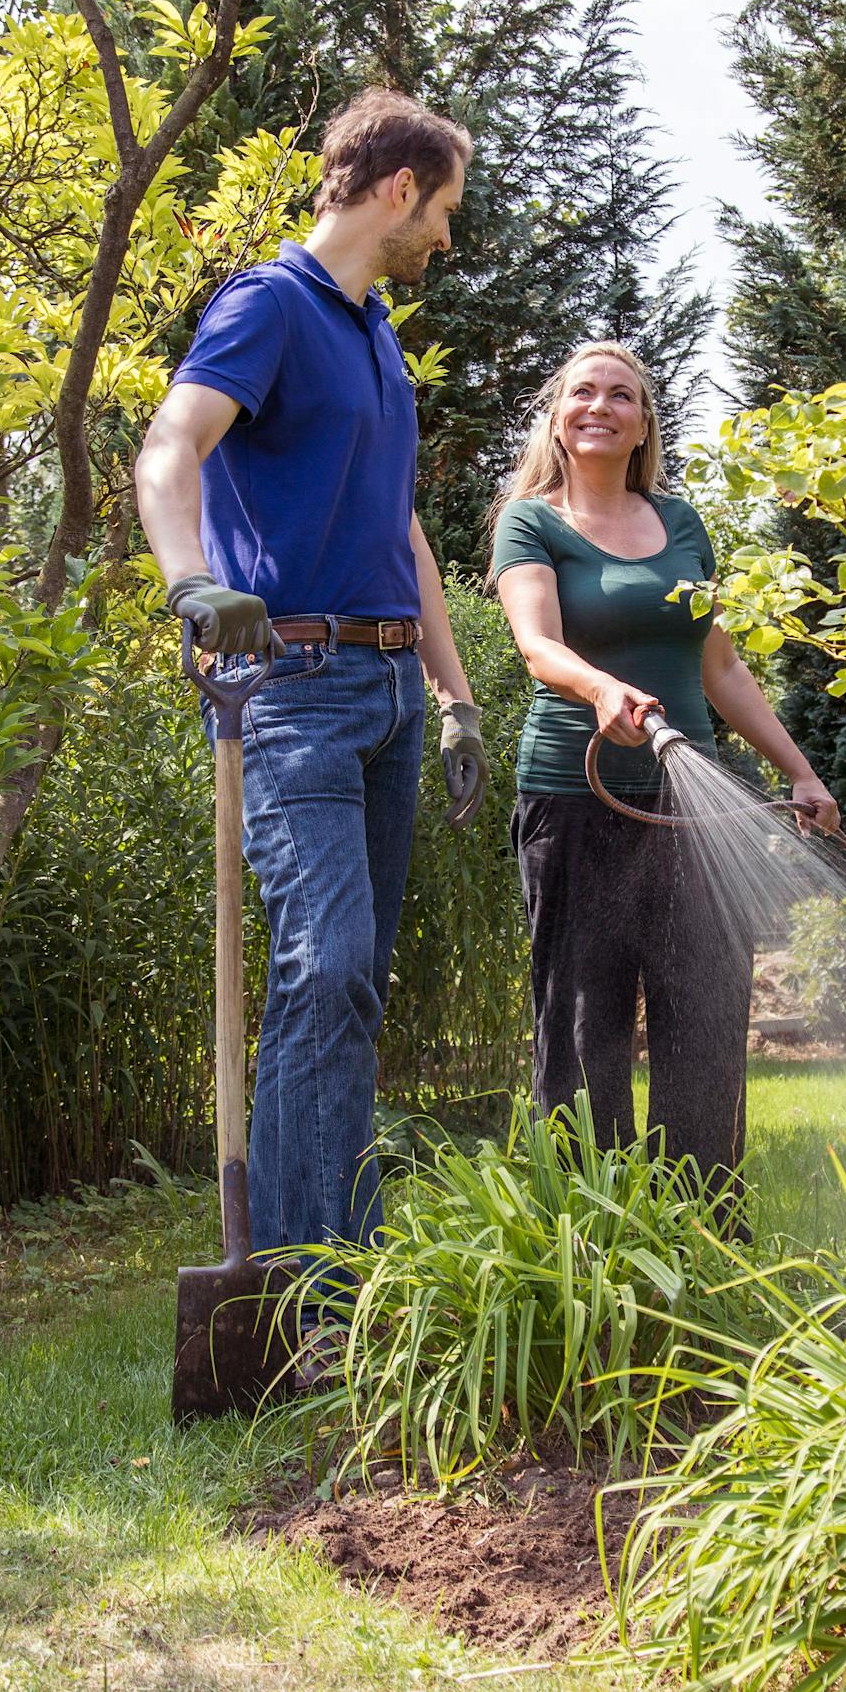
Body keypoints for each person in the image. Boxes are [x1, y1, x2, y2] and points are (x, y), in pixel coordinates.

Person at [134, 86, 488, 1271]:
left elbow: (407, 537)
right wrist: (192, 584)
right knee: (323, 965)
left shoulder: (375, 331)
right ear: (397, 189)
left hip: (387, 692)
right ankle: (299, 1279)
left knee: (347, 990)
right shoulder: (269, 305)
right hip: (288, 686)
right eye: (442, 208)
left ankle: (341, 1268)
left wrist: (453, 697)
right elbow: (171, 446)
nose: (446, 234)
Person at [489, 342, 838, 1194]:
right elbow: (538, 647)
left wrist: (799, 770)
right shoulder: (532, 521)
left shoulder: (682, 525)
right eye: (582, 393)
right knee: (584, 1028)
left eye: (621, 395)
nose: (599, 406)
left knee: (707, 1022)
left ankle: (702, 1233)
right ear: (559, 417)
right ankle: (589, 1237)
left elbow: (720, 668)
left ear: (643, 422)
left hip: (694, 815)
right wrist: (603, 688)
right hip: (577, 804)